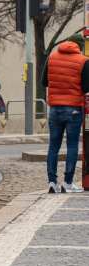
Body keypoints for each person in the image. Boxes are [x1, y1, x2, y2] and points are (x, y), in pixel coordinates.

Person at [42, 38, 89, 193]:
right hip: (74, 109)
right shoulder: (83, 61)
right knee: (72, 145)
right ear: (80, 47)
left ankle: (52, 182)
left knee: (53, 146)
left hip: (55, 108)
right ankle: (68, 182)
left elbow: (44, 81)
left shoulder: (52, 57)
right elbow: (86, 87)